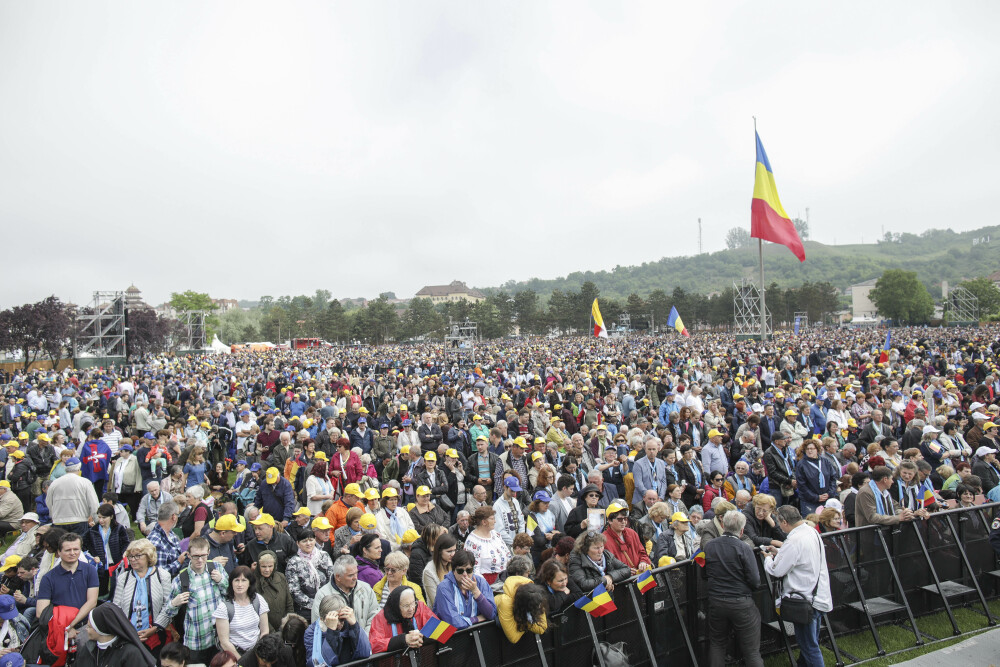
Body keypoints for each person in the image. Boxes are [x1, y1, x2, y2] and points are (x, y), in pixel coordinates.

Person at [763, 506, 833, 667]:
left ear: (785, 522)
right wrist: (780, 552)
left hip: (805, 599)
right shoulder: (811, 531)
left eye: (779, 523)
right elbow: (797, 557)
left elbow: (776, 570)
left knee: (809, 646)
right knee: (810, 643)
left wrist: (768, 558)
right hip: (817, 595)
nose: (779, 527)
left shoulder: (794, 540)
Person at [701, 510, 763, 667]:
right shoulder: (744, 548)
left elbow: (704, 573)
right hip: (741, 602)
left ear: (723, 525)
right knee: (752, 651)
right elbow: (755, 580)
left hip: (717, 601)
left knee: (717, 644)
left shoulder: (709, 547)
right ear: (742, 530)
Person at [166, 536, 229, 664]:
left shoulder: (216, 568)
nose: (200, 560)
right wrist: (174, 603)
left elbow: (229, 595)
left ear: (208, 553)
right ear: (188, 555)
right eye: (195, 556)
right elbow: (168, 612)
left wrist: (221, 581)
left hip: (218, 638)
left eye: (203, 555)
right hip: (195, 641)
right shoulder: (181, 579)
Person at [108, 538, 172, 658]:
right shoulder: (123, 578)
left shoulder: (162, 575)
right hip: (128, 634)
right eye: (130, 557)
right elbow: (116, 607)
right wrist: (127, 631)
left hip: (156, 633)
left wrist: (155, 628)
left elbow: (168, 606)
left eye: (137, 556)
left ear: (148, 556)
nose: (132, 560)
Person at [37, 532, 100, 644]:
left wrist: (71, 625)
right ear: (59, 552)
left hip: (85, 626)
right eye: (67, 550)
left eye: (76, 549)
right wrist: (64, 628)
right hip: (57, 627)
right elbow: (41, 612)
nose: (72, 553)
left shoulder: (90, 570)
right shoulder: (48, 578)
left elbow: (92, 601)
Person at [73, 602, 157, 667]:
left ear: (101, 629)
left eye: (89, 627)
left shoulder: (130, 653)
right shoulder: (87, 649)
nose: (86, 629)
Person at [213, 565, 269, 658]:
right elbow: (224, 642)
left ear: (249, 583)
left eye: (244, 580)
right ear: (231, 583)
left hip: (256, 652)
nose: (240, 585)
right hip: (234, 653)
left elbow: (265, 631)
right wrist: (242, 661)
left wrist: (259, 655)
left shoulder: (258, 600)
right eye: (236, 580)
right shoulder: (223, 607)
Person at [432, 548, 497, 627]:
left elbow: (492, 614)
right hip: (450, 636)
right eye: (460, 571)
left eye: (469, 570)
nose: (465, 574)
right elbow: (453, 623)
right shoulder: (444, 588)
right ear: (453, 571)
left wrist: (476, 592)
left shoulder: (481, 582)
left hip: (476, 633)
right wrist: (475, 619)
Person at [312, 555, 379, 631]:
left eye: (356, 573)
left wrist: (363, 638)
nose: (355, 578)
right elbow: (318, 625)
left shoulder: (366, 588)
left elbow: (374, 617)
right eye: (350, 575)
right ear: (338, 577)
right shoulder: (323, 594)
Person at [304, 594, 372, 666]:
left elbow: (365, 653)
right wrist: (331, 632)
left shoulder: (349, 624)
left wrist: (354, 625)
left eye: (341, 619)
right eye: (334, 619)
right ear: (322, 619)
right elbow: (319, 664)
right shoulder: (312, 632)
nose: (339, 623)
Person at [368, 586, 438, 653]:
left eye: (413, 603)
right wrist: (403, 639)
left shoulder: (420, 608)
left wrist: (420, 637)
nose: (411, 609)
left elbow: (442, 631)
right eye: (406, 606)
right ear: (396, 606)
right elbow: (374, 645)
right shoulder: (381, 618)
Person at [285, 529, 336, 618]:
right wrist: (314, 604)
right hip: (305, 611)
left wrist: (326, 602)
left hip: (327, 606)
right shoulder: (293, 562)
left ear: (315, 540)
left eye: (311, 540)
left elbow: (332, 579)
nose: (308, 543)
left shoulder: (324, 555)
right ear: (298, 543)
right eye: (304, 541)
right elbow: (294, 590)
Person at [84, 504, 132, 596]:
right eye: (99, 517)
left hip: (116, 562)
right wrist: (92, 556)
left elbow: (126, 543)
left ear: (111, 516)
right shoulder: (93, 530)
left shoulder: (119, 528)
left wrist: (124, 552)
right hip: (101, 564)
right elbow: (83, 545)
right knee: (101, 589)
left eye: (104, 518)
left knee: (117, 588)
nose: (101, 520)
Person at [46, 457, 99, 537]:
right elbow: (94, 504)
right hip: (79, 520)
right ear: (78, 468)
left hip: (59, 521)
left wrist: (53, 516)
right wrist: (97, 521)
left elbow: (49, 502)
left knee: (62, 547)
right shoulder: (85, 482)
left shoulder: (54, 483)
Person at [464, 506, 511, 584]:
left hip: (504, 579)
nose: (495, 521)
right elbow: (474, 570)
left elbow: (507, 555)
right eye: (492, 519)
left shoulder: (496, 535)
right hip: (487, 584)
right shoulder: (472, 542)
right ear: (484, 522)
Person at [602, 500, 651, 574]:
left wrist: (643, 562)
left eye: (625, 519)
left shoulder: (632, 533)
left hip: (639, 577)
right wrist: (624, 572)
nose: (624, 522)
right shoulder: (603, 540)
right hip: (623, 582)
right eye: (619, 519)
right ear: (610, 521)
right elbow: (607, 567)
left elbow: (642, 553)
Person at [252, 551, 293, 635]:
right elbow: (256, 611)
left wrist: (288, 624)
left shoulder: (281, 577)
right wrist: (272, 632)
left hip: (284, 627)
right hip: (265, 631)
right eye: (263, 566)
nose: (267, 570)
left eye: (270, 566)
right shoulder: (253, 582)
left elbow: (289, 603)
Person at [423, 533, 457, 608]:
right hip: (440, 613)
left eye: (454, 550)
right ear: (439, 551)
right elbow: (436, 601)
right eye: (449, 551)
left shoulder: (455, 565)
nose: (453, 554)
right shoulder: (429, 571)